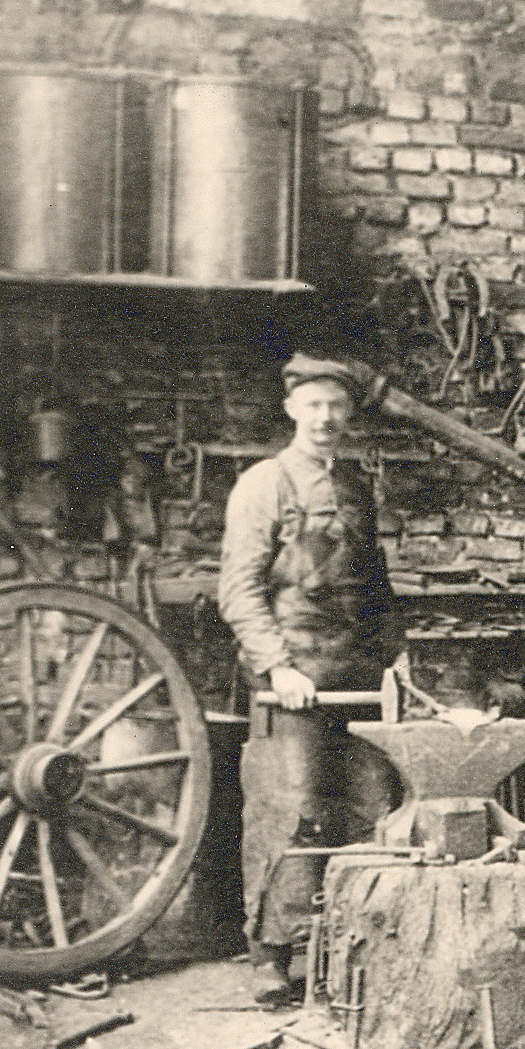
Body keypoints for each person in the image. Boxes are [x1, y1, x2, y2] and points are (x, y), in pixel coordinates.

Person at [218, 353, 402, 995]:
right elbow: (239, 592)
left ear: (349, 414)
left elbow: (375, 587)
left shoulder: (354, 486)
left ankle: (358, 951)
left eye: (337, 405)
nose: (325, 417)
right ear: (292, 409)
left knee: (374, 810)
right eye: (314, 405)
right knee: (289, 810)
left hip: (357, 672)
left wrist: (395, 658)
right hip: (292, 678)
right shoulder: (264, 484)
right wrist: (277, 666)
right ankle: (271, 955)